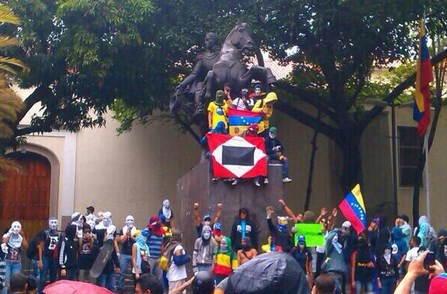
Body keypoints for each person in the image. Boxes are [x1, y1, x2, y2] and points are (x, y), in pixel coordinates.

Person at [175, 32, 221, 114]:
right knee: (199, 86)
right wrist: (182, 84)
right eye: (205, 40)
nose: (205, 42)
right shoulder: (202, 58)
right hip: (205, 83)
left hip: (219, 82)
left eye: (207, 40)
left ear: (213, 41)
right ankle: (199, 107)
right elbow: (194, 74)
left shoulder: (221, 56)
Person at [1, 221, 28, 294]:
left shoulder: (20, 237)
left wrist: (23, 236)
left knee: (16, 283)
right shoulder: (7, 235)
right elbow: (3, 242)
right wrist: (9, 233)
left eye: (18, 227)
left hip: (17, 263)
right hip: (7, 262)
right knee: (6, 283)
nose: (16, 229)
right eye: (14, 227)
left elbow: (25, 246)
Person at [36, 217, 61, 293]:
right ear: (49, 223)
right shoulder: (45, 233)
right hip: (46, 257)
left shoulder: (59, 234)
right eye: (52, 222)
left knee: (53, 278)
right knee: (43, 277)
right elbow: (40, 246)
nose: (53, 224)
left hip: (54, 258)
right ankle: (40, 292)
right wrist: (40, 260)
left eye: (55, 222)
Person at [164, 229, 189, 293]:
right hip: (177, 276)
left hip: (173, 274)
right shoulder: (178, 247)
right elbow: (178, 261)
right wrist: (187, 258)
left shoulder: (169, 245)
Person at [142, 216, 164, 286]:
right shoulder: (148, 231)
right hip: (150, 257)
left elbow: (162, 244)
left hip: (158, 258)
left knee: (158, 277)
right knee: (149, 276)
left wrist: (163, 256)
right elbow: (143, 236)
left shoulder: (161, 232)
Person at [117, 215, 137, 293]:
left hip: (134, 254)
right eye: (128, 220)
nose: (130, 221)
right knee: (122, 272)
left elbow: (138, 241)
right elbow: (121, 241)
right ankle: (120, 288)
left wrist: (131, 236)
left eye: (131, 220)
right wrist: (126, 234)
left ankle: (136, 288)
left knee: (135, 272)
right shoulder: (123, 230)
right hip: (124, 254)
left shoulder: (136, 230)